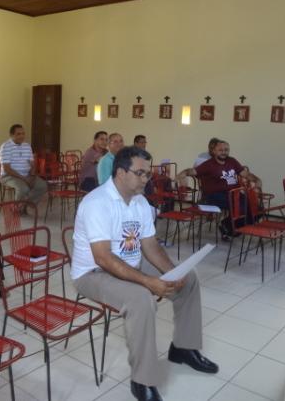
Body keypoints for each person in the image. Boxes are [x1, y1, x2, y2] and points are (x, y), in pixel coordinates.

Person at [72, 146, 218, 401]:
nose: (145, 179)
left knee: (189, 279)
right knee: (141, 298)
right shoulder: (97, 202)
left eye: (147, 174)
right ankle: (143, 381)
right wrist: (149, 282)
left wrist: (174, 273)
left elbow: (150, 246)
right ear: (119, 172)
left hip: (131, 262)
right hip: (93, 274)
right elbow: (103, 258)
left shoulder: (140, 202)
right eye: (140, 173)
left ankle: (184, 347)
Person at [176, 140, 261, 239]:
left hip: (233, 194)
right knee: (243, 208)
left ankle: (227, 226)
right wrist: (183, 173)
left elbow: (245, 174)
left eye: (226, 150)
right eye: (220, 150)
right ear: (214, 151)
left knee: (258, 210)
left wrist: (256, 180)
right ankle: (229, 228)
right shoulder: (209, 164)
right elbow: (192, 171)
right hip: (214, 196)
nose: (224, 152)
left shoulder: (232, 161)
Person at [0, 124, 47, 205]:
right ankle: (17, 209)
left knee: (42, 186)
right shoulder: (6, 146)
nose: (22, 136)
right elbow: (7, 169)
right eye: (18, 134)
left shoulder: (27, 146)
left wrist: (31, 175)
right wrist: (24, 179)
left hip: (27, 175)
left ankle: (25, 204)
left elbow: (32, 164)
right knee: (23, 188)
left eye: (23, 133)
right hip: (9, 176)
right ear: (11, 135)